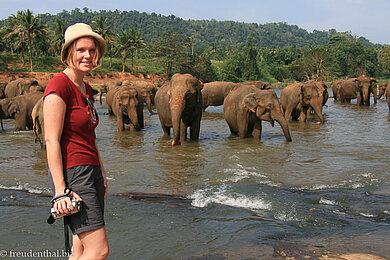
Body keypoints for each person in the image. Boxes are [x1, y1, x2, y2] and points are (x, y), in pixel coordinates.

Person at [43, 23, 109, 260]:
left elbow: (89, 136)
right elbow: (51, 139)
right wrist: (60, 190)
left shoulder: (86, 89)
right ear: (69, 52)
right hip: (74, 174)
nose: (87, 56)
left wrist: (100, 171)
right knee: (99, 250)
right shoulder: (59, 86)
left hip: (91, 171)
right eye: (81, 50)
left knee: (80, 248)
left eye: (92, 51)